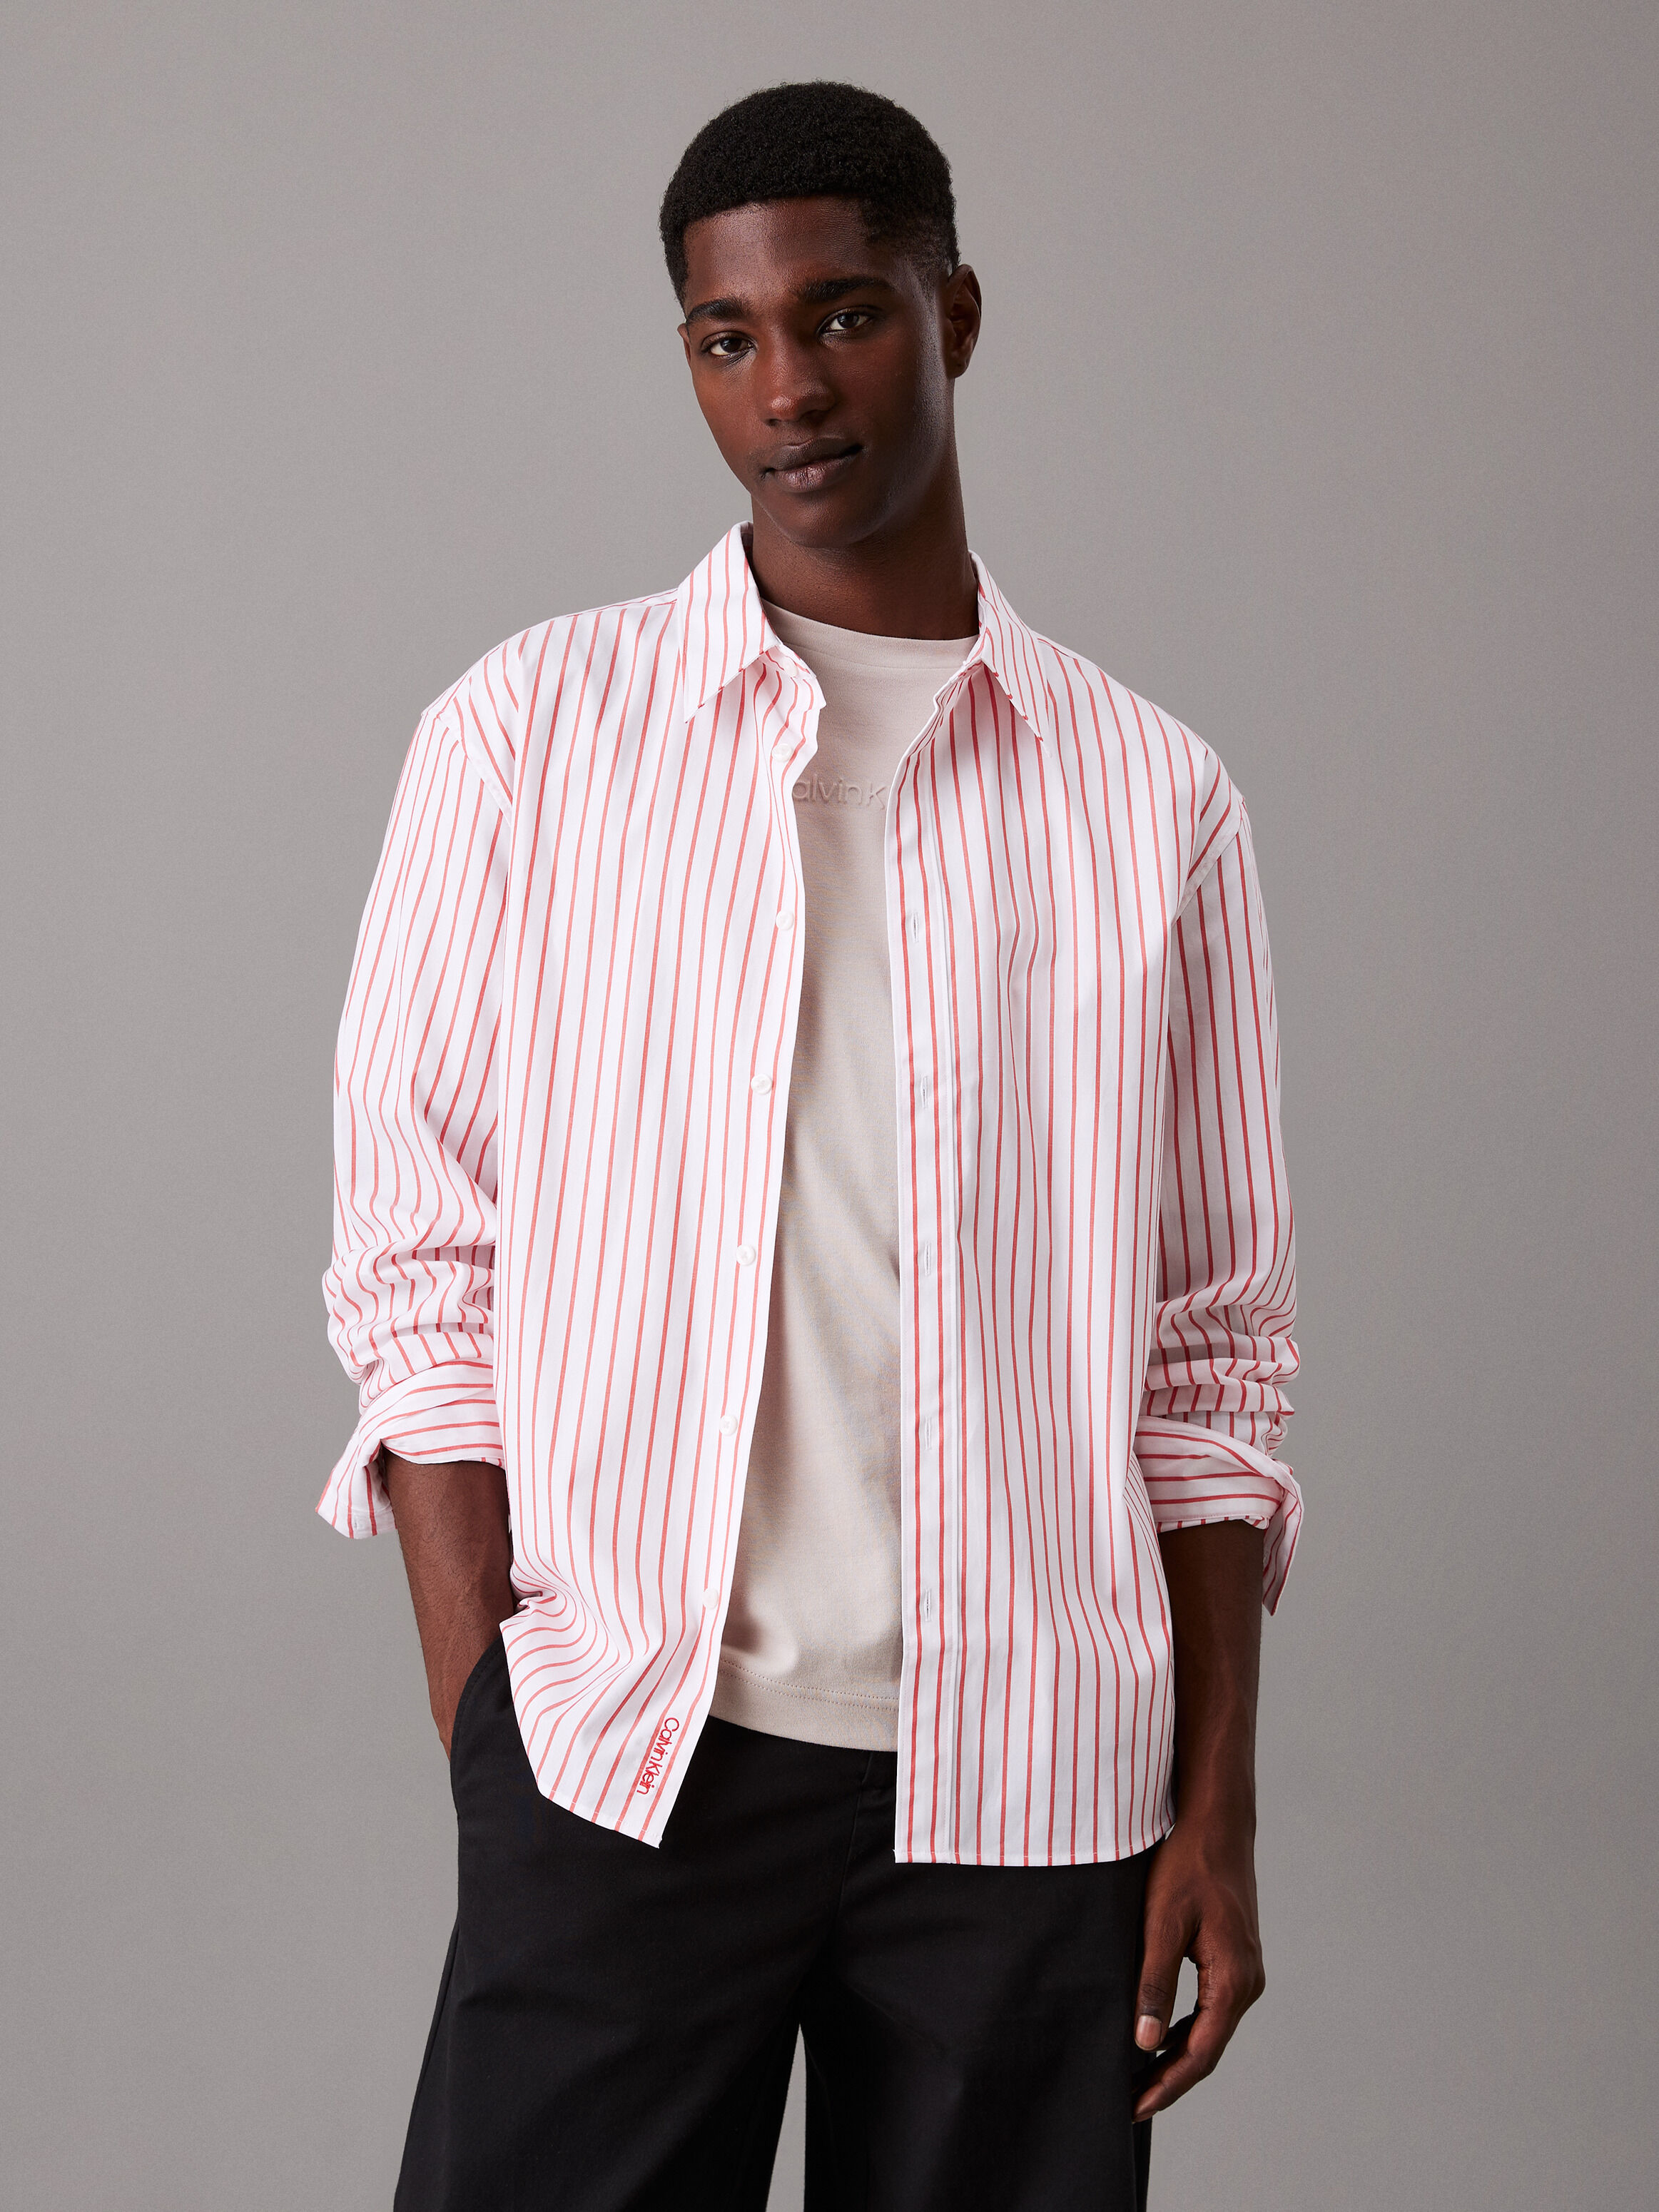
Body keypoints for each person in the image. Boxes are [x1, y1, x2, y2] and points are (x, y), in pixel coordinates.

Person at [320, 79, 1302, 2212]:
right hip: (629, 1760)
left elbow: (1212, 1359)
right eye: (727, 337)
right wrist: (497, 1736)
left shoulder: (1156, 800)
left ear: (957, 314)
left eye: (845, 315)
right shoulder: (529, 738)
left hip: (1034, 1790)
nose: (788, 389)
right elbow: (421, 1268)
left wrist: (1213, 1806)